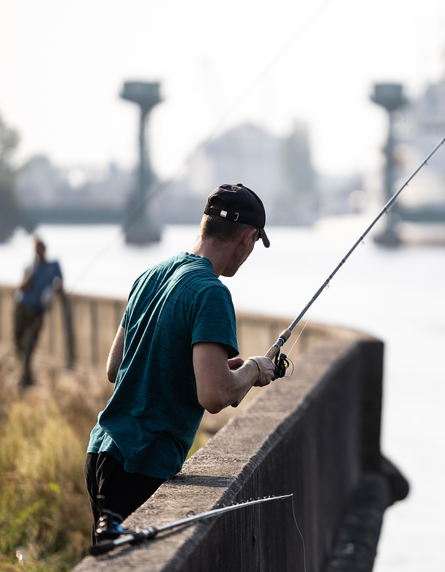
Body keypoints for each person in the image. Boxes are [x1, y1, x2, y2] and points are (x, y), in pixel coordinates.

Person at [84, 183, 277, 545]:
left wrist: (215, 367)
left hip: (102, 454)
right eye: (252, 246)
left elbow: (116, 368)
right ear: (247, 238)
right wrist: (252, 369)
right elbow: (215, 396)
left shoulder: (151, 275)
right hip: (142, 464)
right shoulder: (211, 292)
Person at [14, 236, 63, 387]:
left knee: (30, 344)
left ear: (45, 249)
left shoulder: (52, 266)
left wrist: (52, 292)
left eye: (40, 248)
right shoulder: (30, 267)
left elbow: (60, 282)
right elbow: (22, 287)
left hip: (37, 311)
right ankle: (24, 375)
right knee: (18, 343)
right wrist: (31, 273)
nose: (38, 252)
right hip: (22, 308)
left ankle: (26, 377)